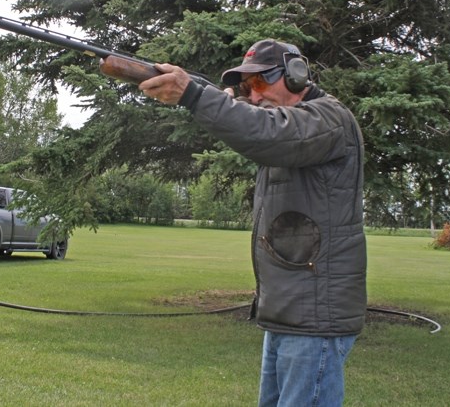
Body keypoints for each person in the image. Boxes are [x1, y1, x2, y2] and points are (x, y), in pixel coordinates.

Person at [139, 39, 366, 407]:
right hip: (285, 312)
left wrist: (195, 96)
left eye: (261, 83)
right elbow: (257, 127)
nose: (254, 95)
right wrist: (220, 100)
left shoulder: (328, 119)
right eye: (246, 87)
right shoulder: (294, 123)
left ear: (296, 76)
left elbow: (266, 133)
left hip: (313, 317)